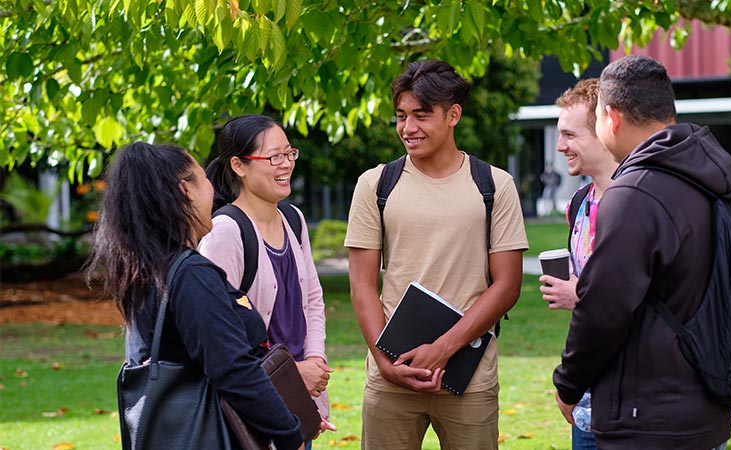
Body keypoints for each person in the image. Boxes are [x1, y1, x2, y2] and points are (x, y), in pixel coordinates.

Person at [552, 55, 731, 450]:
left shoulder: (634, 193)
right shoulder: (710, 180)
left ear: (611, 119)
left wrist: (567, 385)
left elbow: (604, 309)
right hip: (708, 408)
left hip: (648, 417)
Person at [344, 59, 528, 449]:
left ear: (453, 115)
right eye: (401, 116)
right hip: (390, 373)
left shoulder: (494, 185)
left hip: (469, 377)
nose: (408, 129)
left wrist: (441, 350)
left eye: (421, 116)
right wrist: (385, 363)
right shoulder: (375, 185)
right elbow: (361, 284)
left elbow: (508, 285)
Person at [87, 142, 306, 450]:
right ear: (185, 190)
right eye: (204, 180)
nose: (213, 193)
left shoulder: (148, 271)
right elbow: (233, 369)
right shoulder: (191, 275)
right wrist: (288, 433)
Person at [199, 115, 333, 448]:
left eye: (290, 154)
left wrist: (314, 361)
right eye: (274, 157)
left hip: (301, 399)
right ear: (238, 165)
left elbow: (312, 300)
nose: (286, 164)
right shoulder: (225, 233)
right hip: (256, 408)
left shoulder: (293, 218)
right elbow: (219, 338)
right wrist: (293, 376)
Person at [539, 78, 617, 450]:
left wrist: (579, 294)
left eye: (570, 135)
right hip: (586, 397)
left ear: (604, 130)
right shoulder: (578, 204)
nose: (560, 146)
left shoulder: (641, 201)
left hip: (635, 400)